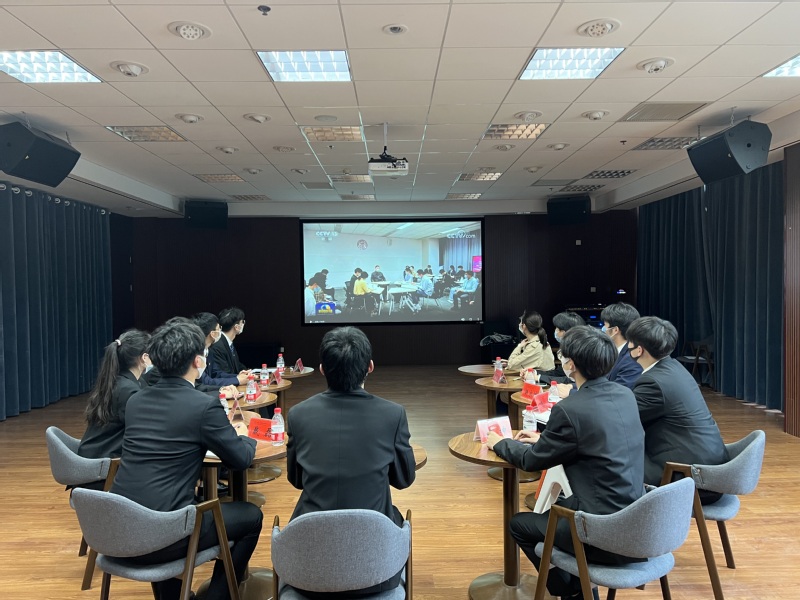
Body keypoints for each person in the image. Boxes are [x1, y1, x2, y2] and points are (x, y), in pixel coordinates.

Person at [487, 326, 645, 600]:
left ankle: (572, 591)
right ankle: (581, 589)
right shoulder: (625, 395)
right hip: (636, 518)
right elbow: (595, 439)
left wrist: (499, 442)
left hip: (600, 529)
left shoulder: (569, 409)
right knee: (557, 510)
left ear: (570, 365)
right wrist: (545, 438)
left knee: (519, 525)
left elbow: (530, 461)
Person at [110, 319, 261, 600]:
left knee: (167, 503)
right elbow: (240, 460)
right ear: (198, 361)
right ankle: (217, 596)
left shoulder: (136, 401)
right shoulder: (203, 406)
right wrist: (246, 435)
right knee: (251, 517)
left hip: (119, 528)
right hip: (164, 535)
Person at [286, 327, 415, 597]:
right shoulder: (392, 414)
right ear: (370, 367)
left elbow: (296, 480)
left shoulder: (298, 415)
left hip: (307, 570)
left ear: (322, 369)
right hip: (377, 572)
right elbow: (404, 479)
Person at [626, 316, 729, 499]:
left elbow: (621, 418)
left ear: (639, 349)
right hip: (712, 470)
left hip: (689, 478)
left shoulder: (653, 382)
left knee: (608, 459)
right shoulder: (675, 367)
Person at [77, 329, 150, 466]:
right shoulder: (128, 390)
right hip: (102, 463)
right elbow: (143, 429)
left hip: (94, 453)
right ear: (144, 358)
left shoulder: (116, 381)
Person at [191, 312, 247, 387]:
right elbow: (206, 381)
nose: (220, 331)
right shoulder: (194, 354)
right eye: (219, 329)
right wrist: (237, 380)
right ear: (213, 334)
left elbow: (216, 373)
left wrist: (237, 377)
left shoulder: (208, 349)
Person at [600, 303, 643, 389]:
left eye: (605, 325)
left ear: (615, 330)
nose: (603, 329)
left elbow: (617, 390)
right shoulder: (610, 350)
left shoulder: (631, 359)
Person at [208, 306, 249, 380]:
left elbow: (237, 365)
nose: (244, 324)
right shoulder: (218, 345)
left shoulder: (228, 341)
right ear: (237, 327)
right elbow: (223, 372)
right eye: (242, 322)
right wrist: (238, 377)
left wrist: (247, 372)